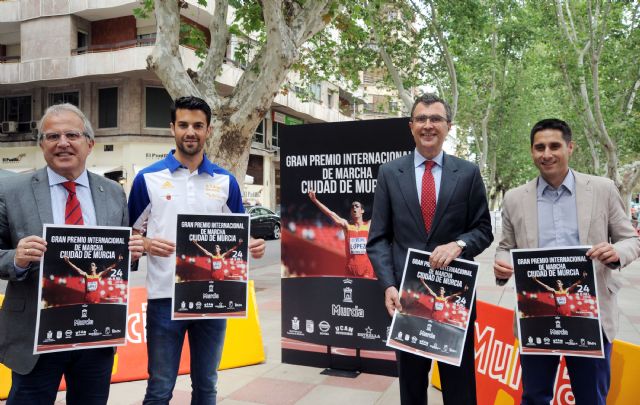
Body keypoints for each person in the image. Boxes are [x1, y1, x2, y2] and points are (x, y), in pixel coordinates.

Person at [0, 103, 144, 405]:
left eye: (72, 135)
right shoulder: (12, 190)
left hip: (96, 335)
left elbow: (119, 262)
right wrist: (17, 257)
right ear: (41, 145)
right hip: (35, 339)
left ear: (89, 144)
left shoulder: (113, 191)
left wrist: (131, 252)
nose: (62, 143)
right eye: (52, 136)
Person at [128, 96, 265, 405]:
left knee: (207, 386)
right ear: (172, 128)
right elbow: (129, 239)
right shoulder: (147, 179)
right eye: (184, 125)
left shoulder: (226, 181)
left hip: (213, 299)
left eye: (198, 126)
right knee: (160, 388)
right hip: (164, 299)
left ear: (208, 130)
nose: (191, 132)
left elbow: (238, 236)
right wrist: (146, 244)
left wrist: (252, 246)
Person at [493, 118, 640, 405]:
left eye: (554, 146)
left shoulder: (602, 189)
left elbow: (630, 239)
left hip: (591, 315)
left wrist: (617, 253)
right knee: (535, 397)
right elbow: (505, 247)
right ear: (532, 151)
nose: (546, 153)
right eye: (539, 147)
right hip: (536, 314)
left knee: (591, 397)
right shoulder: (514, 199)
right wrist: (501, 265)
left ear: (570, 148)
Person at [367, 93, 493, 405]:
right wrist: (388, 285)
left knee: (460, 388)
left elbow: (483, 230)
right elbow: (378, 238)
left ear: (448, 126)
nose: (428, 125)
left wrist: (459, 244)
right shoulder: (389, 173)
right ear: (411, 127)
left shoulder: (467, 173)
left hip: (454, 301)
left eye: (435, 118)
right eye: (421, 119)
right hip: (408, 301)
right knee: (411, 389)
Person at [308, 190, 374, 278]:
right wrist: (315, 200)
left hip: (366, 271)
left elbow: (383, 214)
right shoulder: (347, 226)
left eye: (357, 206)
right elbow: (330, 213)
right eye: (352, 207)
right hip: (350, 271)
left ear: (362, 210)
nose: (354, 207)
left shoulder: (369, 225)